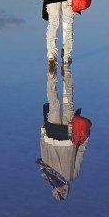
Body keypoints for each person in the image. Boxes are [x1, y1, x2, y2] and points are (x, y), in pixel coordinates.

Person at [37, 64, 92, 201]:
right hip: (52, 133)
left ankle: (66, 69)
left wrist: (85, 139)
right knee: (54, 103)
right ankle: (52, 75)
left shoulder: (71, 176)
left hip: (68, 135)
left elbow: (80, 153)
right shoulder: (45, 175)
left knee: (68, 102)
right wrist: (43, 133)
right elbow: (43, 151)